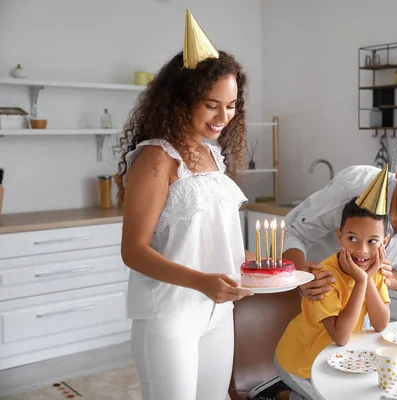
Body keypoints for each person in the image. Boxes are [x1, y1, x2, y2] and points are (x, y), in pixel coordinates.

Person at [114, 9, 253, 400]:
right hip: (169, 313)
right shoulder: (157, 158)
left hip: (217, 312)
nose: (223, 117)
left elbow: (209, 239)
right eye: (211, 104)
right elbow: (133, 251)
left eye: (231, 105)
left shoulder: (214, 157)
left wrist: (260, 265)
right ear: (181, 100)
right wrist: (203, 283)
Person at [283, 116, 397, 300]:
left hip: (359, 305)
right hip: (305, 293)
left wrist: (386, 277)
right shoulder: (353, 186)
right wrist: (300, 274)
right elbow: (294, 232)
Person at [274, 167, 392, 400]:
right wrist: (361, 280)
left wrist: (366, 278)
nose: (362, 250)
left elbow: (381, 324)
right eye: (352, 239)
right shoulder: (324, 275)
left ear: (384, 241)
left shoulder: (373, 269)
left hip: (336, 358)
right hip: (300, 362)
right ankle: (287, 395)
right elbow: (341, 336)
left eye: (373, 241)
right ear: (339, 237)